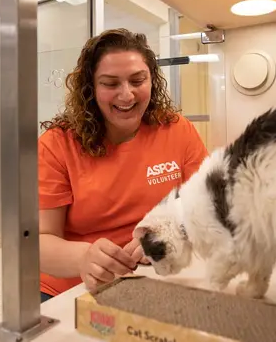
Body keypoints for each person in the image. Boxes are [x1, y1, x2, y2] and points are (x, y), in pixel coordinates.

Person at [38, 28, 209, 302]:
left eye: (137, 80)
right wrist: (83, 258)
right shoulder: (56, 145)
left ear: (152, 81)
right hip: (73, 289)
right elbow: (39, 241)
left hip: (152, 275)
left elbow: (205, 204)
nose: (127, 95)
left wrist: (169, 232)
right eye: (110, 83)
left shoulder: (177, 130)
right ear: (90, 89)